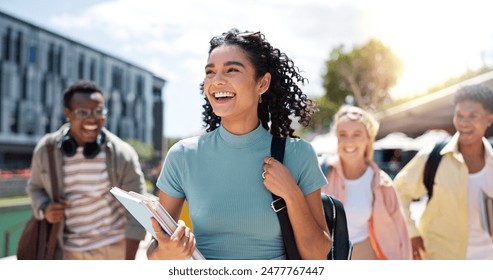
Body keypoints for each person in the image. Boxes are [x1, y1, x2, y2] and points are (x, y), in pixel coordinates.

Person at [147, 28, 331, 260]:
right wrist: (167, 252)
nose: (217, 81)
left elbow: (317, 256)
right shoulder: (183, 155)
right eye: (210, 72)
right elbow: (154, 253)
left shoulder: (298, 154)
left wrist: (291, 195)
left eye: (232, 70)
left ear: (262, 84)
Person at [27, 80, 147, 260]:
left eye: (98, 111)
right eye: (82, 112)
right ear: (68, 113)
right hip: (65, 252)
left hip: (113, 251)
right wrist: (45, 208)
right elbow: (35, 188)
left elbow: (138, 211)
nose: (92, 119)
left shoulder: (124, 154)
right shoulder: (46, 149)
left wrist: (127, 265)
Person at [394, 84, 493, 260]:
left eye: (473, 116)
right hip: (440, 256)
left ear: (489, 119)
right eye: (459, 116)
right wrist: (411, 232)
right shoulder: (433, 157)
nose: (464, 123)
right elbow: (397, 192)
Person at [320, 105, 412, 260]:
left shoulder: (382, 183)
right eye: (343, 134)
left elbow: (400, 233)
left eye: (357, 134)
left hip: (365, 256)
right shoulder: (320, 173)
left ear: (368, 139)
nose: (349, 141)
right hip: (325, 256)